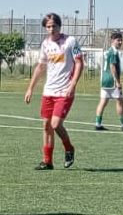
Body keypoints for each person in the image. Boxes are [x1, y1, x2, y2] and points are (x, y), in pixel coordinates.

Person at [25, 13, 83, 169]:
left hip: (64, 91)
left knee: (56, 124)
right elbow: (40, 67)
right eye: (48, 26)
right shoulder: (45, 44)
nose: (51, 29)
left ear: (59, 26)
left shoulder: (70, 41)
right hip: (48, 91)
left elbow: (79, 63)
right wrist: (30, 89)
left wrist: (72, 85)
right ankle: (47, 161)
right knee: (46, 126)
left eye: (54, 26)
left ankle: (69, 148)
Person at [94, 31, 123, 132]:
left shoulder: (108, 51)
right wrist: (117, 81)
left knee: (103, 102)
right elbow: (112, 67)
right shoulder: (113, 52)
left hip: (104, 81)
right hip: (112, 81)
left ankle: (98, 123)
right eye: (118, 40)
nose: (120, 42)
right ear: (112, 41)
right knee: (120, 101)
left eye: (121, 40)